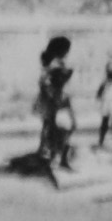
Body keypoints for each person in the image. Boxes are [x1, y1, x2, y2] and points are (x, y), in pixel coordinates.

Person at [36, 37, 77, 179]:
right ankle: (56, 157)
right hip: (56, 101)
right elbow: (46, 83)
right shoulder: (53, 65)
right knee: (59, 128)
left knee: (59, 127)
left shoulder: (57, 63)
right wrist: (54, 96)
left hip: (60, 99)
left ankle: (52, 154)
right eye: (66, 50)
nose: (68, 53)